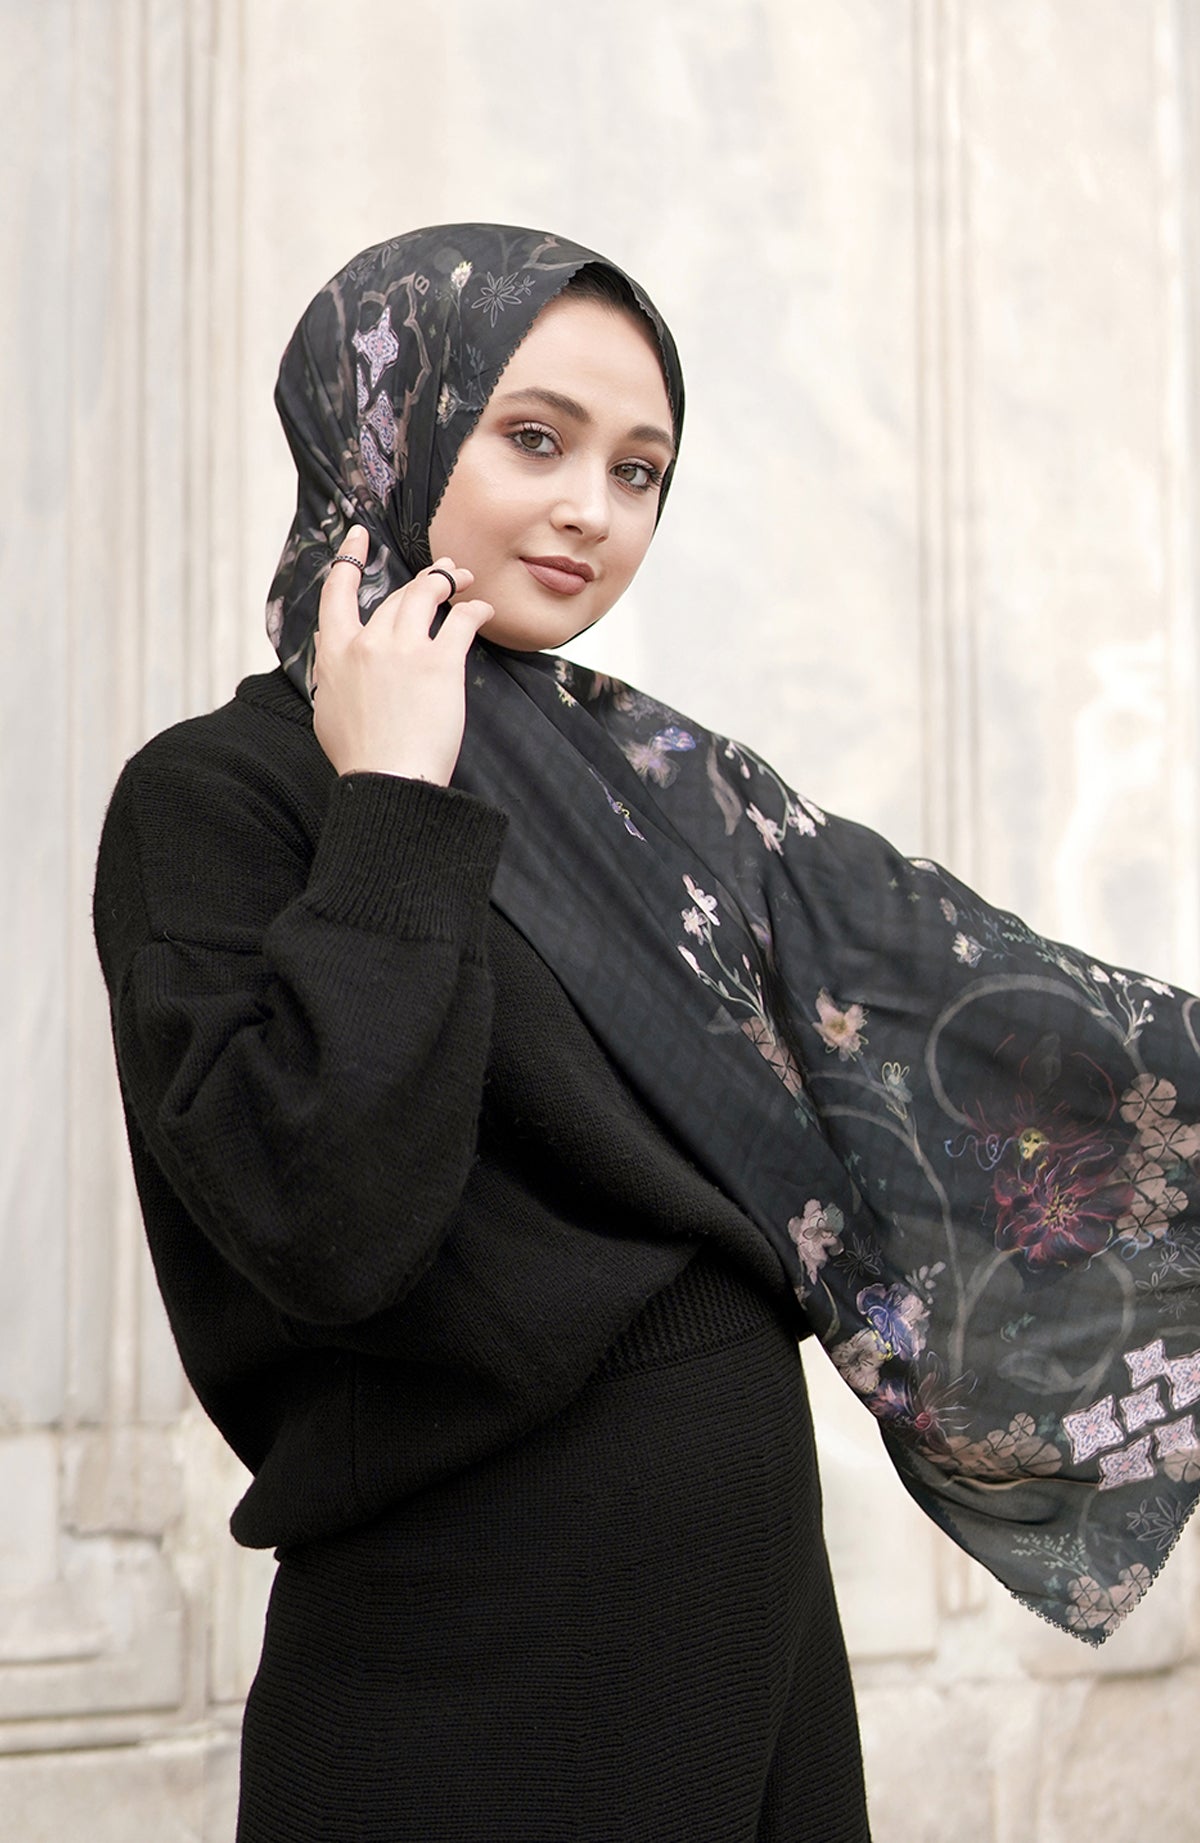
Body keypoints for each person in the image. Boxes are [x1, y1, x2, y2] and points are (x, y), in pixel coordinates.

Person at [93, 225, 1200, 1842]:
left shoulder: (659, 798)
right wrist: (392, 801)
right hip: (473, 1629)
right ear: (387, 424)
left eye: (638, 470)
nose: (591, 511)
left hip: (743, 1614)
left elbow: (978, 1005)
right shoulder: (218, 797)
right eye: (535, 439)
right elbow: (325, 1220)